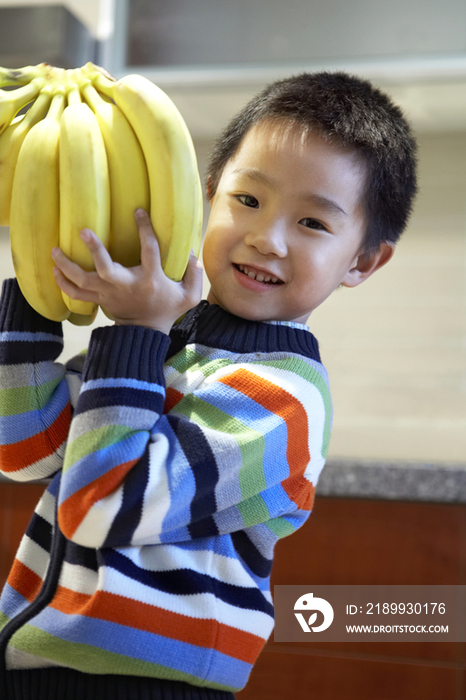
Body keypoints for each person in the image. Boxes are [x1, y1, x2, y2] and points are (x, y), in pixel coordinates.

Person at [0, 71, 417, 699]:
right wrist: (39, 286)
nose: (266, 238)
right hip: (37, 666)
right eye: (248, 201)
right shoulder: (160, 345)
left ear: (363, 260)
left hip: (147, 686)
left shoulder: (284, 399)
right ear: (208, 195)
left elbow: (103, 507)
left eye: (312, 223)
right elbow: (27, 448)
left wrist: (137, 328)